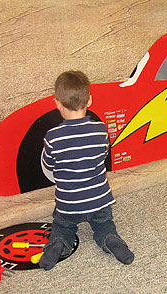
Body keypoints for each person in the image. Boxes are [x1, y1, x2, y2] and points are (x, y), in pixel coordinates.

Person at [39, 70, 134, 270]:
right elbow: (103, 156)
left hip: (68, 203)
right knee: (104, 223)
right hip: (99, 200)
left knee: (62, 225)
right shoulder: (100, 129)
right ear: (89, 100)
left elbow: (48, 165)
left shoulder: (53, 136)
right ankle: (110, 239)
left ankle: (58, 244)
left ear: (57, 103)